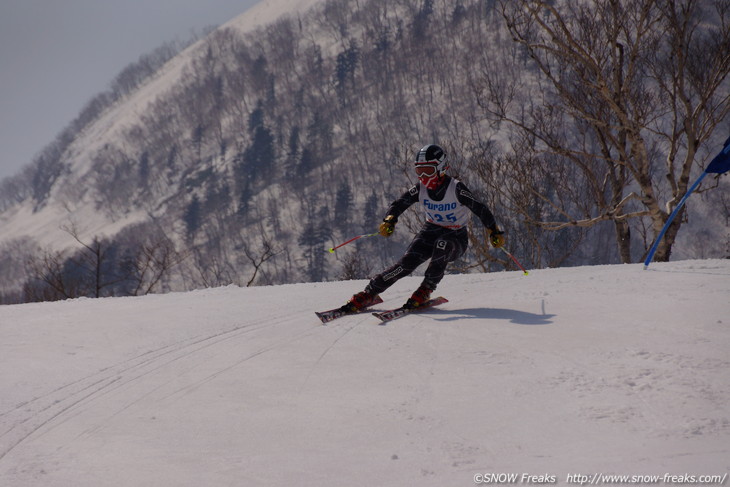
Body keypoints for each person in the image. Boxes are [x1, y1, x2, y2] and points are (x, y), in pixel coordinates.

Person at [340, 144, 505, 312]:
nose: (424, 176)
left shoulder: (456, 188)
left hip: (455, 237)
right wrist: (390, 219)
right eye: (419, 171)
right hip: (430, 231)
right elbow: (400, 203)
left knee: (442, 245)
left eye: (428, 170)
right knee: (405, 264)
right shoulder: (420, 188)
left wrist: (493, 230)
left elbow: (479, 207)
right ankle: (370, 293)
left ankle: (425, 290)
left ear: (441, 168)